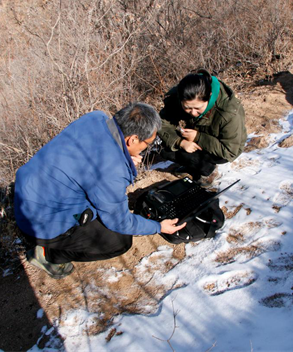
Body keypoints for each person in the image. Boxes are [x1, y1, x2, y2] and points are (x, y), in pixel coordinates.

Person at [14, 102, 186, 279]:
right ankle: (47, 255)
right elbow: (120, 222)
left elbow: (93, 161)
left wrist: (123, 159)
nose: (146, 149)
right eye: (147, 143)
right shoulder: (111, 170)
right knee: (119, 241)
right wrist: (158, 226)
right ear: (133, 139)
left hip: (28, 193)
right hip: (42, 222)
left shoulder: (95, 118)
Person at [158, 69, 247, 186]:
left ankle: (208, 171)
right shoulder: (182, 95)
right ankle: (192, 165)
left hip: (221, 147)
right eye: (188, 108)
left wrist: (198, 137)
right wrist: (180, 142)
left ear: (209, 97)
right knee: (164, 149)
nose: (193, 113)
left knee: (189, 156)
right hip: (194, 134)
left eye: (198, 108)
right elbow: (162, 122)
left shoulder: (229, 111)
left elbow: (230, 151)